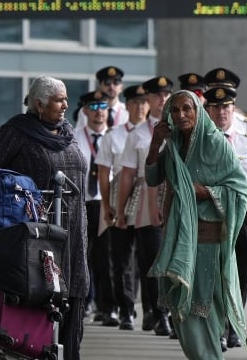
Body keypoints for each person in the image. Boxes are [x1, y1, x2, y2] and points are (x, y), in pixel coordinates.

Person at [145, 90, 247, 360]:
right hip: (177, 238)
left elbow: (240, 190)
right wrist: (155, 142)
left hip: (208, 244)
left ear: (197, 111)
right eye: (175, 110)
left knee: (201, 314)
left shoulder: (216, 143)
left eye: (187, 109)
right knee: (182, 316)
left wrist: (203, 192)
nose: (181, 115)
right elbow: (152, 177)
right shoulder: (174, 144)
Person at [0, 76, 89, 360]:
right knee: (43, 295)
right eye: (59, 99)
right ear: (39, 104)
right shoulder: (16, 133)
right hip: (39, 233)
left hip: (75, 231)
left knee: (74, 294)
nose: (66, 105)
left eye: (66, 98)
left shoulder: (68, 132)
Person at [203, 80, 247, 351]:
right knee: (216, 270)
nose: (221, 112)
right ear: (209, 109)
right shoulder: (200, 140)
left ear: (233, 108)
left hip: (244, 212)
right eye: (215, 107)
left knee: (243, 270)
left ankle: (236, 322)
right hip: (212, 212)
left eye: (226, 106)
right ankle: (219, 329)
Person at [117, 76, 174, 337]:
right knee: (151, 259)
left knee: (176, 258)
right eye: (157, 95)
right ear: (148, 99)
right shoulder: (138, 134)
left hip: (177, 195)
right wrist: (121, 210)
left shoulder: (181, 125)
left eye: (166, 94)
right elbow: (128, 174)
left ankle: (176, 312)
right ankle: (159, 313)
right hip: (146, 196)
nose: (162, 99)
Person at [95, 84, 150, 330]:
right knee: (121, 257)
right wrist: (108, 205)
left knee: (149, 256)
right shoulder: (114, 135)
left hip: (148, 197)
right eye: (135, 102)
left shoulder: (154, 133)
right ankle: (126, 309)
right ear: (126, 106)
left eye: (143, 102)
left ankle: (152, 310)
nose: (139, 107)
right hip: (120, 196)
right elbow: (104, 173)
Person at [74, 90, 118, 327]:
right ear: (86, 110)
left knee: (106, 257)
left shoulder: (115, 137)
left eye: (103, 106)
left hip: (106, 201)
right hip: (82, 202)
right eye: (95, 106)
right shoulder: (74, 137)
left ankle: (107, 307)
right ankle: (84, 302)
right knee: (82, 255)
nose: (100, 110)